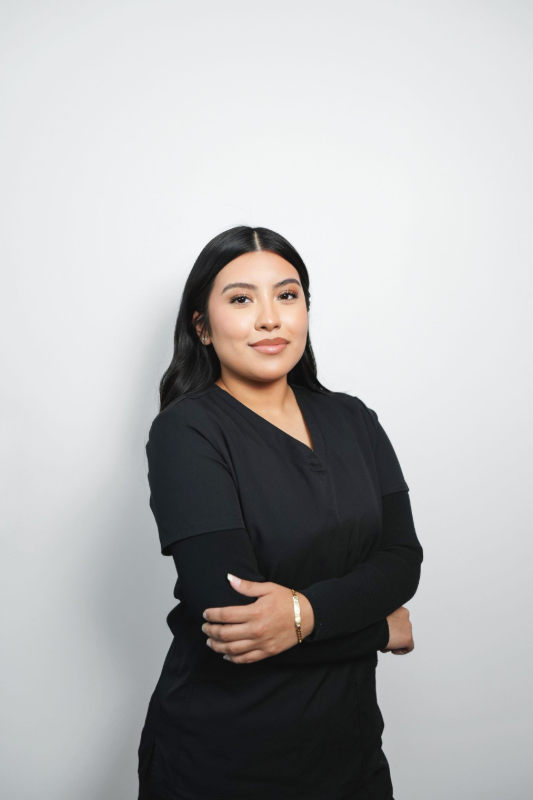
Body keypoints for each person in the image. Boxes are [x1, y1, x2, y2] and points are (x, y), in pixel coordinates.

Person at [137, 225, 423, 800]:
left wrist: (298, 614)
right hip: (223, 760)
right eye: (241, 299)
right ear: (203, 327)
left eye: (287, 295)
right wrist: (377, 626)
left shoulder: (355, 420)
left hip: (351, 752)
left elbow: (401, 560)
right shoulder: (187, 431)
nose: (270, 318)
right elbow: (235, 623)